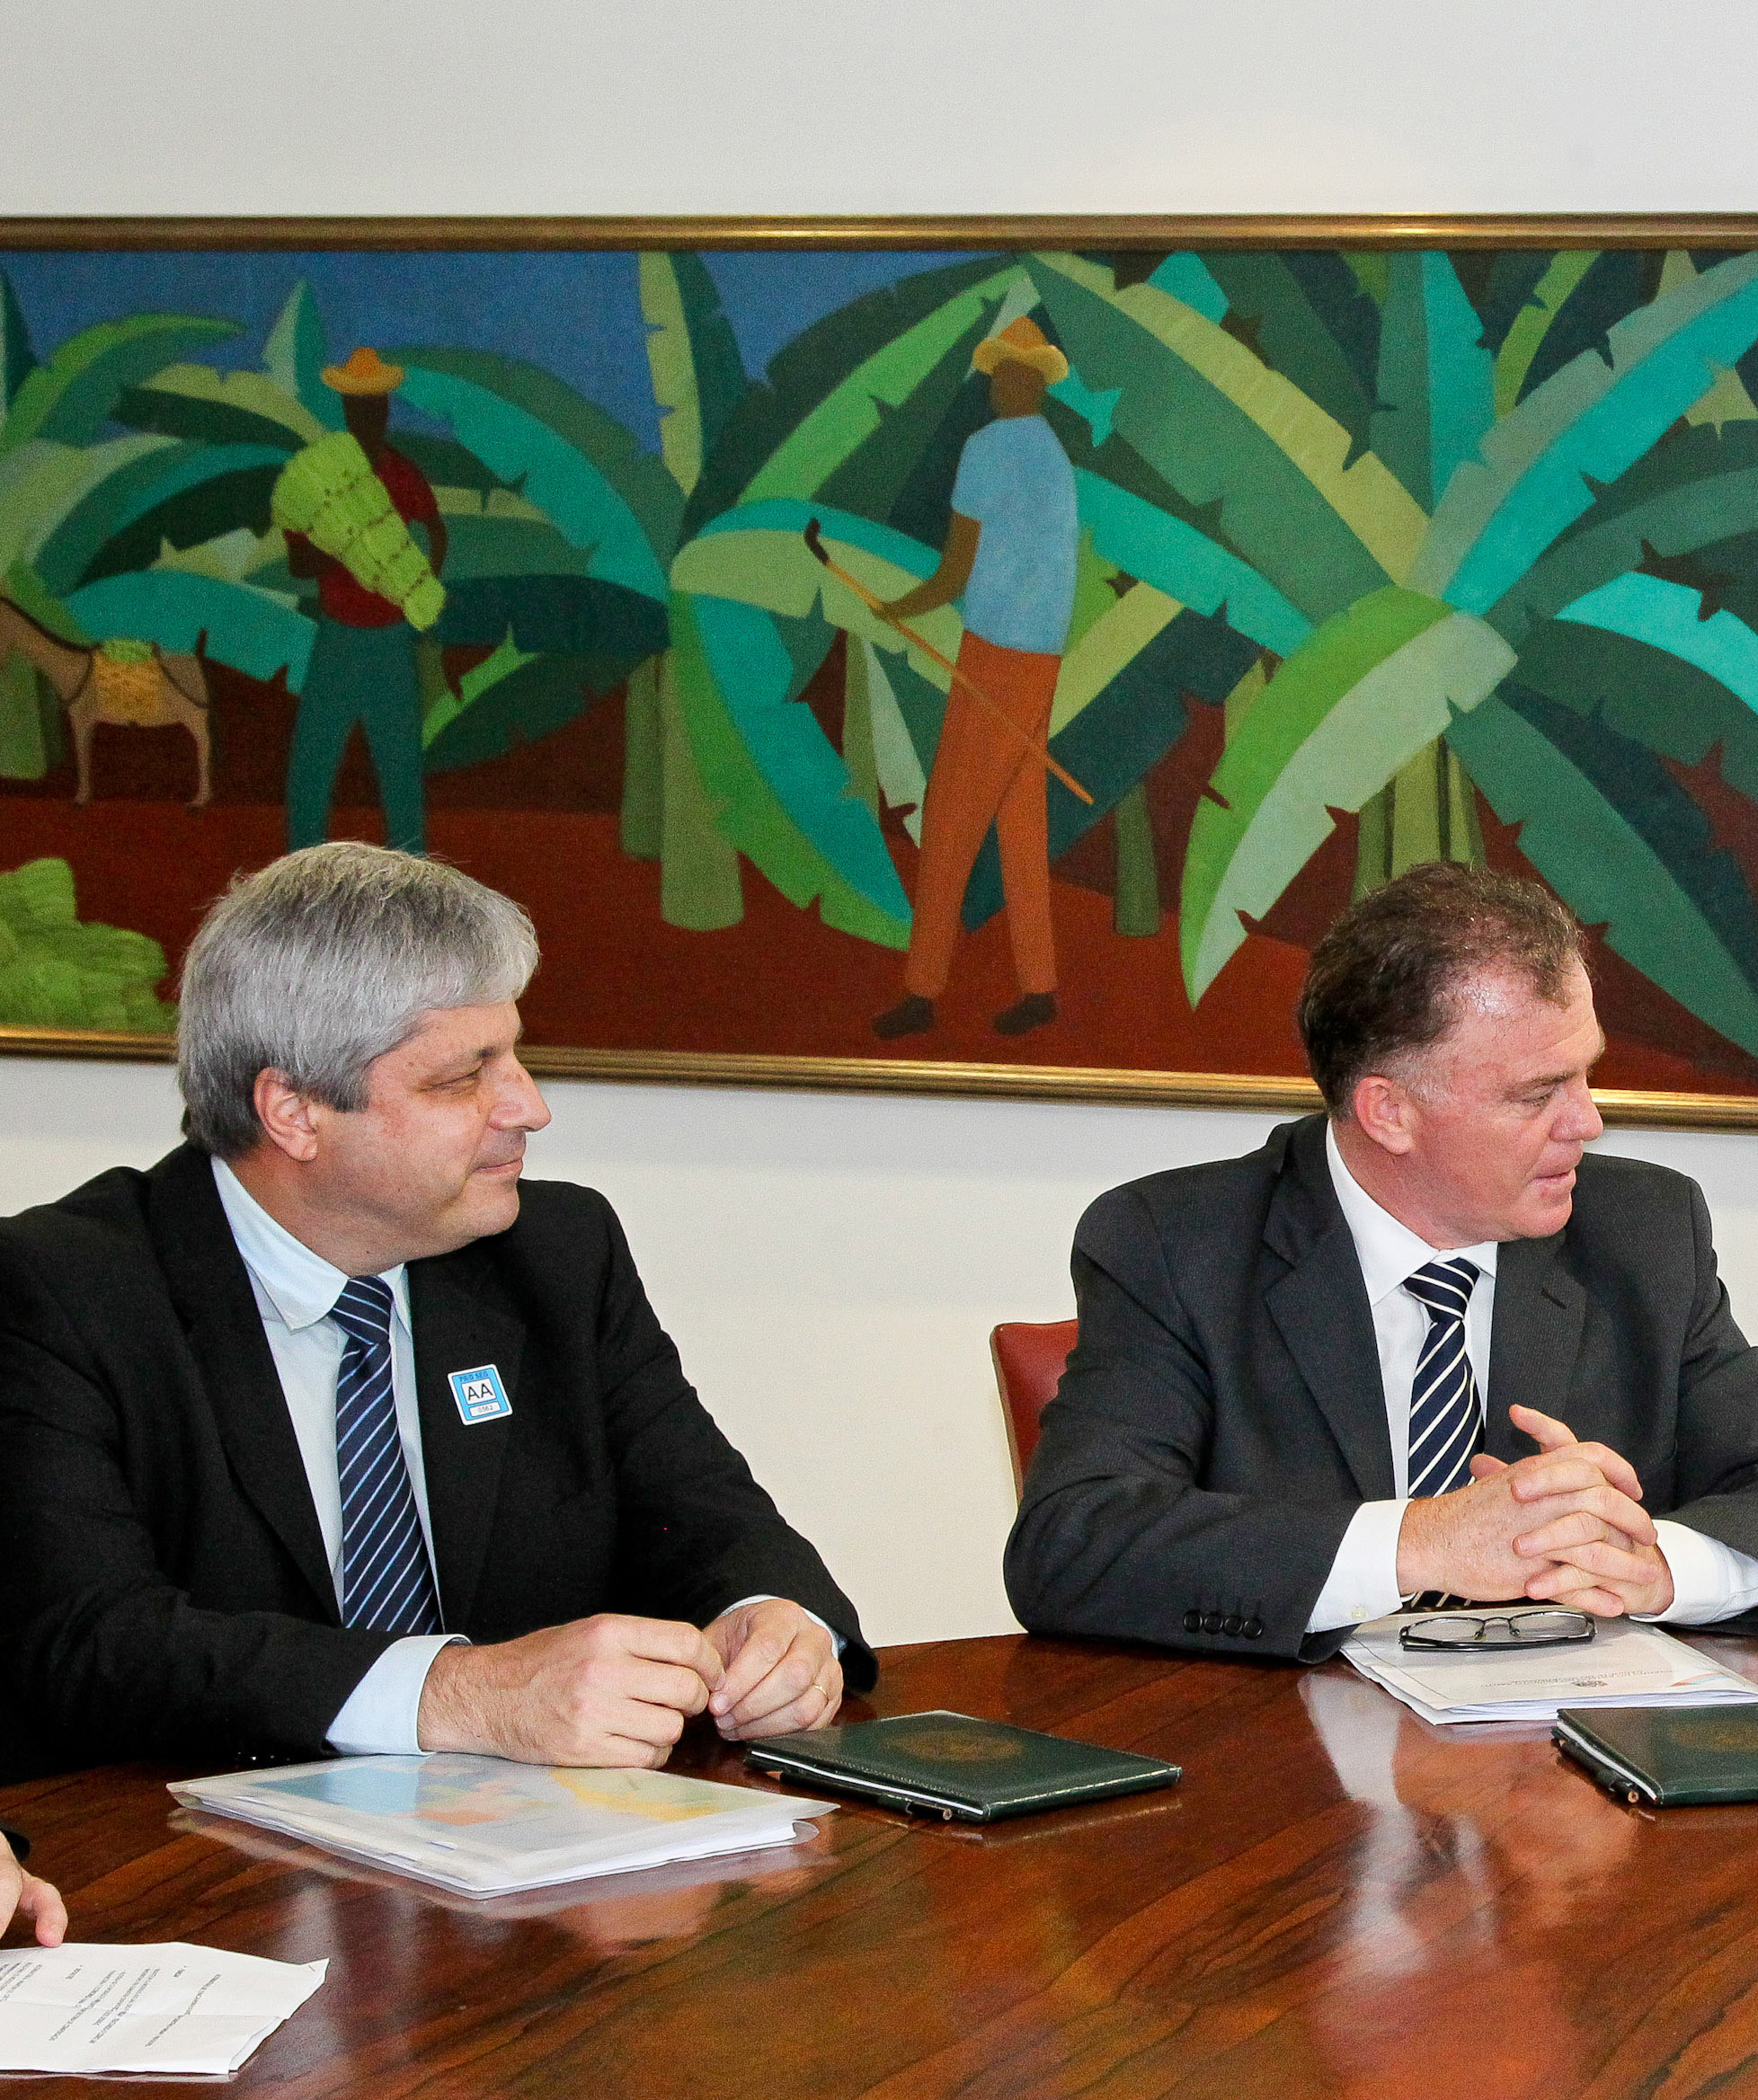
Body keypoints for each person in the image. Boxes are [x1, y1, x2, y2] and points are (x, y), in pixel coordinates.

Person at [0, 844, 872, 1782]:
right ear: (292, 1112)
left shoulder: (557, 1254)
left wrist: (781, 1620)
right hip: (186, 1863)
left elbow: (706, 1516)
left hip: (528, 1872)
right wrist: (458, 1693)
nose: (528, 1107)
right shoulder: (58, 1290)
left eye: (515, 1055)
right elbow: (92, 1645)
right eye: (464, 1077)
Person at [1005, 863, 1758, 1656]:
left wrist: (1653, 1566)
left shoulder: (1642, 1231)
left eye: (1585, 1074)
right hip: (1285, 1790)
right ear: (1389, 1112)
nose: (1588, 1122)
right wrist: (1423, 1541)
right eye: (1538, 1094)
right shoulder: (1175, 1243)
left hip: (1564, 1795)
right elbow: (1073, 1544)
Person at [869, 315, 1079, 1042]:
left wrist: (901, 606)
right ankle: (1039, 984)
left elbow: (955, 569)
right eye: (995, 373)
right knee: (1020, 825)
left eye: (1005, 374)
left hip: (995, 652)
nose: (995, 385)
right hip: (1041, 660)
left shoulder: (987, 449)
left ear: (1027, 381)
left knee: (952, 820)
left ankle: (923, 990)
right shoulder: (1054, 456)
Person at [283, 348, 443, 855]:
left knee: (400, 770)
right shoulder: (319, 478)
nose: (368, 414)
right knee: (312, 767)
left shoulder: (402, 473)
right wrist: (352, 552)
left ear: (387, 409)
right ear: (346, 411)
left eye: (376, 405)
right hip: (337, 638)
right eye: (358, 405)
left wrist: (415, 586)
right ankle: (299, 877)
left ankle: (414, 881)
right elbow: (298, 561)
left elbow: (437, 532)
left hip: (390, 641)